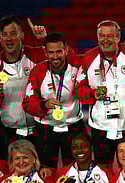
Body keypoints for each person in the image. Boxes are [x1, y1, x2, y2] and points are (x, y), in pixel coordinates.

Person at [76, 20, 125, 167]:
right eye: (102, 36)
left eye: (110, 36)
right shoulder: (89, 58)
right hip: (100, 126)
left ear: (118, 38)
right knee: (103, 170)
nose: (105, 40)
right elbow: (79, 89)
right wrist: (93, 93)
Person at [0, 16, 48, 160]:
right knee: (10, 176)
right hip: (8, 133)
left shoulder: (37, 56)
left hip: (38, 130)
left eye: (13, 33)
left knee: (40, 175)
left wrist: (44, 40)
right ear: (0, 38)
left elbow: (66, 56)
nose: (9, 38)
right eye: (5, 34)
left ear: (22, 36)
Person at [22, 32, 84, 167]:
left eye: (59, 51)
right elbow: (27, 103)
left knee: (76, 169)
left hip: (73, 127)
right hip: (46, 129)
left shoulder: (77, 65)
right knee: (46, 171)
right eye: (51, 52)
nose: (55, 56)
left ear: (66, 50)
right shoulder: (37, 72)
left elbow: (98, 56)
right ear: (45, 53)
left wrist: (124, 46)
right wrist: (43, 105)